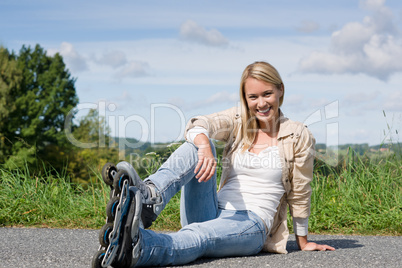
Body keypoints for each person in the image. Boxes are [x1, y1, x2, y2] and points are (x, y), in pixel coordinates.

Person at [94, 61, 335, 268]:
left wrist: (302, 240)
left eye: (267, 94)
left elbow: (302, 190)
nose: (261, 103)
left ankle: (137, 248)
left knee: (199, 236)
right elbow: (198, 124)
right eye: (253, 97)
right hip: (212, 209)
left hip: (251, 223)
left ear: (280, 91)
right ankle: (148, 199)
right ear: (245, 99)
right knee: (197, 143)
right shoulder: (240, 120)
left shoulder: (297, 134)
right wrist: (205, 146)